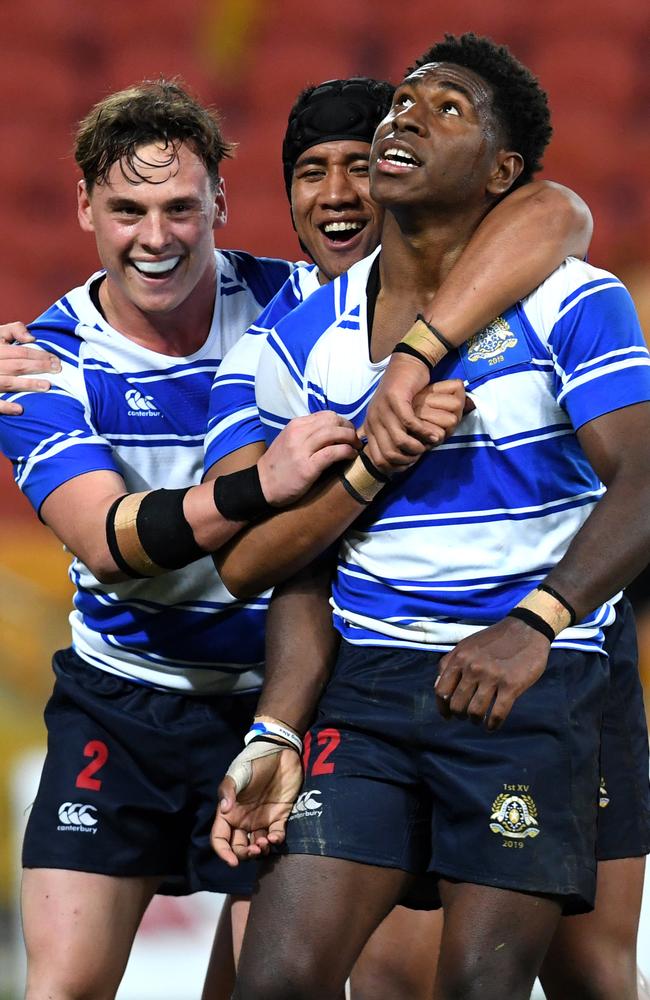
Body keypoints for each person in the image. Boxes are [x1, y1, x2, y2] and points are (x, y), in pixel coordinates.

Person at [0, 73, 596, 1000]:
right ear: (83, 207)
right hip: (126, 700)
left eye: (179, 208)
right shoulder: (46, 361)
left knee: (269, 985)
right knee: (64, 985)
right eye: (126, 209)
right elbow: (115, 541)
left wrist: (419, 350)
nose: (155, 238)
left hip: (283, 696)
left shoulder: (294, 305)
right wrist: (257, 483)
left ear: (221, 204)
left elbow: (553, 215)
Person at [210, 34, 650, 1000]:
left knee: (482, 989)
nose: (403, 116)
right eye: (400, 103)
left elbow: (647, 480)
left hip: (526, 685)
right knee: (273, 981)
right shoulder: (298, 341)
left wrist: (536, 622)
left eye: (445, 108)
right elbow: (271, 566)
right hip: (366, 691)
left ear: (502, 170)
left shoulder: (576, 302)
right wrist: (276, 733)